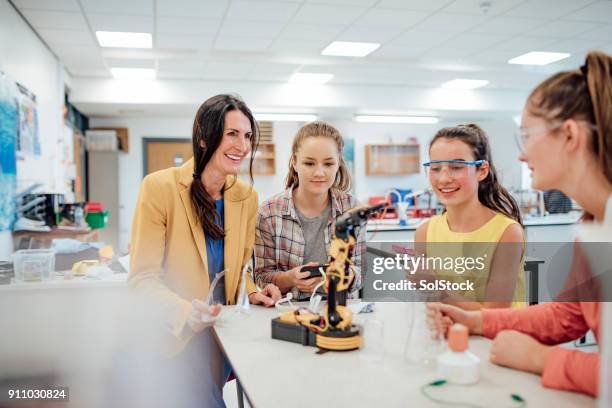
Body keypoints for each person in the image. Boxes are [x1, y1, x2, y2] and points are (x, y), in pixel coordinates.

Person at [427, 50, 612, 397]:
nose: (521, 154)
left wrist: (543, 359)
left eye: (526, 137)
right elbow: (566, 316)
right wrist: (476, 321)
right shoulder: (594, 223)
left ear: (569, 136)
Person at [128, 94, 281, 407]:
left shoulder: (246, 197)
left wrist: (253, 292)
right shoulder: (159, 188)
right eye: (232, 134)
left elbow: (242, 268)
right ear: (203, 136)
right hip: (176, 336)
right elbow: (142, 279)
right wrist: (186, 313)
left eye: (248, 136)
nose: (242, 146)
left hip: (223, 334)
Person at [415, 124, 526, 309]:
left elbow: (495, 315)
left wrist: (434, 286)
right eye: (435, 168)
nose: (443, 179)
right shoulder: (424, 232)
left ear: (482, 170)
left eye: (456, 167)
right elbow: (430, 305)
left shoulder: (507, 232)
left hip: (499, 337)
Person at [254, 121, 363, 300]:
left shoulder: (352, 210)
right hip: (287, 312)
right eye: (309, 163)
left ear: (339, 164)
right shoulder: (268, 213)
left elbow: (359, 273)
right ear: (294, 163)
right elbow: (261, 277)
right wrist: (290, 278)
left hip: (338, 312)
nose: (319, 172)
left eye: (328, 164)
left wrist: (341, 277)